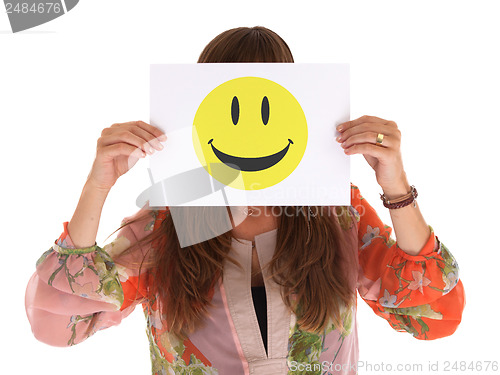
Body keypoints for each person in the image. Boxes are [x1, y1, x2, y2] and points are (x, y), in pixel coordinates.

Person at [25, 26, 465, 375]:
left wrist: (395, 185)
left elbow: (434, 314)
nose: (250, 129)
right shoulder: (178, 217)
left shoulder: (332, 210)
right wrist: (98, 185)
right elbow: (59, 325)